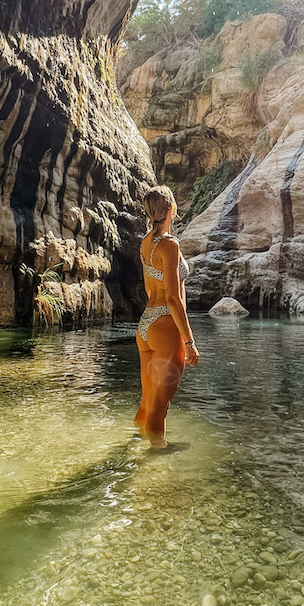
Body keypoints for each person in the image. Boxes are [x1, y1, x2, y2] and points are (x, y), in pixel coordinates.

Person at [134, 185, 199, 445]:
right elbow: (173, 298)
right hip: (165, 327)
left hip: (145, 326)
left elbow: (150, 288)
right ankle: (157, 453)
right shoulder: (170, 245)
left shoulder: (145, 243)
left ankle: (136, 442)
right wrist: (189, 341)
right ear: (171, 208)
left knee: (149, 399)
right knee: (161, 404)